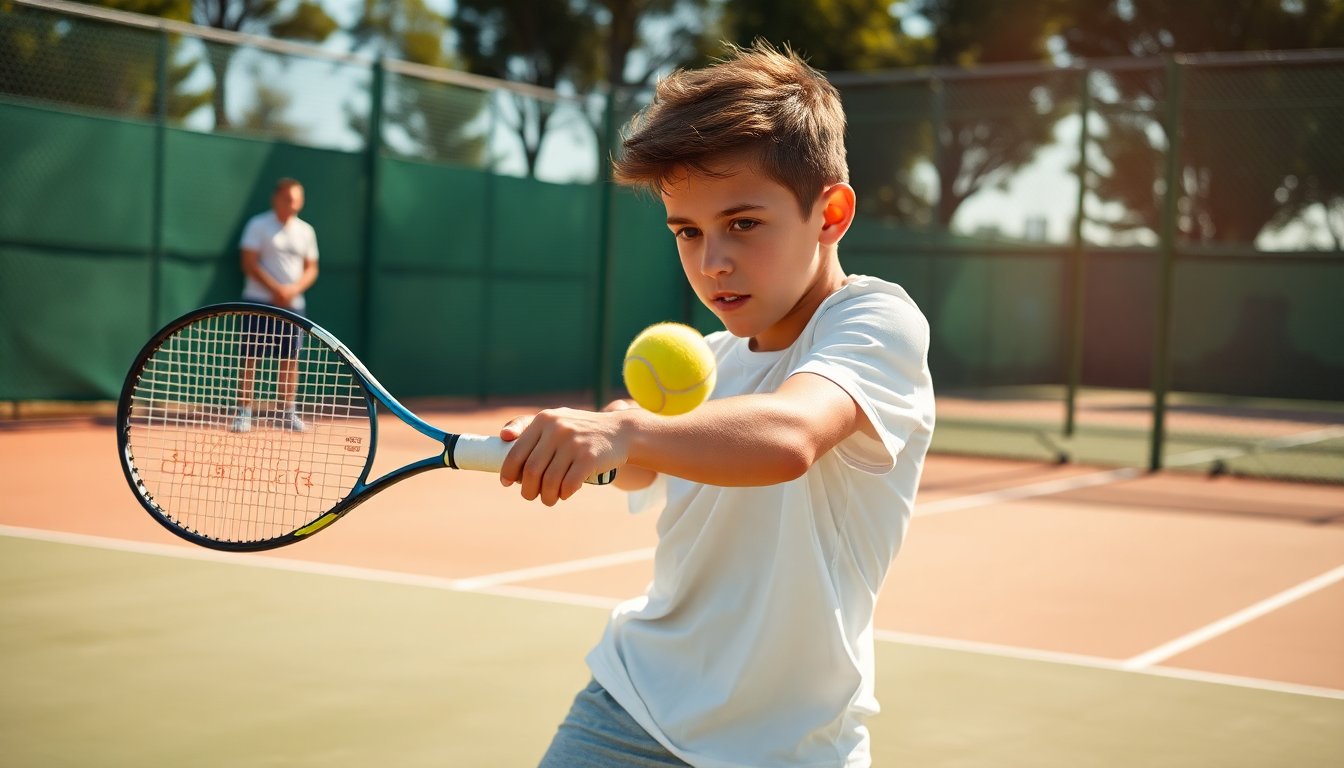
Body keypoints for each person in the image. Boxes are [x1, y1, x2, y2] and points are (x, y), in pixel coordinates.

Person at [502, 42, 935, 767]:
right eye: (688, 233)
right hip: (630, 711)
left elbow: (792, 435)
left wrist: (624, 429)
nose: (712, 263)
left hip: (796, 745)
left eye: (742, 224)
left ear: (829, 212)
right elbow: (645, 468)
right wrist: (581, 450)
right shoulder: (711, 363)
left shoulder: (877, 323)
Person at [230, 177, 319, 433]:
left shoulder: (306, 231)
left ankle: (287, 413)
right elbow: (248, 262)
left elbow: (311, 269)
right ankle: (244, 413)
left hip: (293, 305)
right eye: (289, 198)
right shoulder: (258, 225)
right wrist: (275, 289)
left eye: (298, 199)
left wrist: (292, 290)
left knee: (290, 359)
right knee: (250, 357)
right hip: (258, 301)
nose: (294, 204)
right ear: (277, 198)